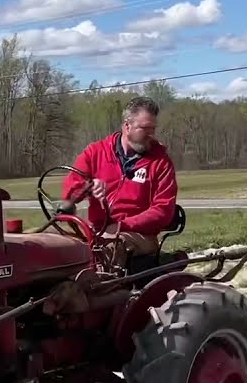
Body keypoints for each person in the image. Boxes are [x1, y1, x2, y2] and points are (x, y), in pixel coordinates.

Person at [58, 95, 179, 270]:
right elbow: (69, 193)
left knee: (110, 249)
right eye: (145, 128)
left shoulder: (160, 162)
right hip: (96, 229)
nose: (151, 134)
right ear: (127, 126)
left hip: (139, 235)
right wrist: (89, 187)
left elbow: (162, 211)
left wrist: (121, 226)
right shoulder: (95, 152)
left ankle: (100, 293)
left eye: (153, 128)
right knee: (47, 242)